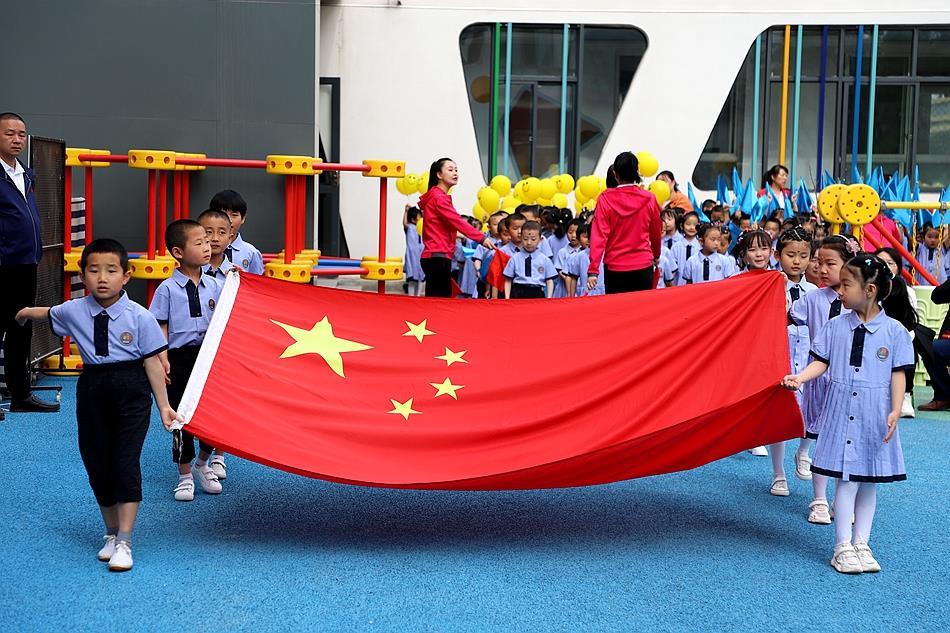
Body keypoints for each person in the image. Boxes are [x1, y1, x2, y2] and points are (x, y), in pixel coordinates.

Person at [16, 238, 176, 572]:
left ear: (126, 276)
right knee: (97, 462)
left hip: (131, 390)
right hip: (92, 390)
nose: (102, 277)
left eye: (111, 270)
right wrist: (23, 313)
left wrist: (163, 406)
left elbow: (152, 364)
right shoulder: (75, 310)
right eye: (94, 270)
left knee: (124, 461)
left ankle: (126, 541)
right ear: (82, 275)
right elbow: (49, 313)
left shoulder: (140, 317)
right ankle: (111, 532)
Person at [783, 254, 913, 574]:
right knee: (846, 479)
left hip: (875, 412)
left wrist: (895, 409)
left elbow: (899, 373)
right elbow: (821, 361)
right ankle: (842, 545)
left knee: (869, 481)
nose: (840, 291)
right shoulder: (835, 326)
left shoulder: (894, 331)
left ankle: (862, 543)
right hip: (841, 409)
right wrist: (801, 377)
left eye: (846, 285)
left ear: (869, 290)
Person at [149, 220, 225, 502]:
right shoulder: (166, 289)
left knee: (212, 417)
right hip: (178, 359)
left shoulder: (217, 286)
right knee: (181, 418)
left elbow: (225, 319)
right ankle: (183, 475)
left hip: (207, 358)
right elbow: (160, 325)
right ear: (178, 252)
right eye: (199, 243)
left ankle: (203, 464)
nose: (207, 247)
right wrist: (162, 358)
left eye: (207, 242)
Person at [789, 234, 859, 524]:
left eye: (830, 263)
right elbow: (784, 318)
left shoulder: (857, 302)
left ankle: (840, 500)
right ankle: (818, 499)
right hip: (818, 379)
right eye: (818, 262)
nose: (822, 269)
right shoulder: (812, 299)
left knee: (845, 443)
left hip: (849, 383)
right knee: (821, 439)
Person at [0, 112, 59, 414]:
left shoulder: (25, 173)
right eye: (10, 133)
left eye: (21, 134)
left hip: (27, 262)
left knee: (21, 328)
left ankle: (20, 393)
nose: (17, 139)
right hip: (3, 264)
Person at [768, 227, 816, 496]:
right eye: (790, 255)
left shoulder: (814, 290)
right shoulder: (770, 286)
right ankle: (778, 473)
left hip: (808, 357)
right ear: (778, 255)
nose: (797, 261)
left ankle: (803, 453)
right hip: (781, 354)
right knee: (781, 415)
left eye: (803, 255)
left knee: (811, 410)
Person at [418, 158, 495, 297]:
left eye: (456, 170)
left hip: (436, 256)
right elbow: (457, 221)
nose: (455, 173)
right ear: (439, 175)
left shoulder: (437, 196)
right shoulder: (438, 198)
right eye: (450, 169)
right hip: (438, 257)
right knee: (439, 304)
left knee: (436, 301)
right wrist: (481, 238)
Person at [587, 152, 662, 294]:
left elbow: (599, 236)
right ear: (637, 173)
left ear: (615, 174)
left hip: (615, 267)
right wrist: (656, 254)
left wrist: (593, 270)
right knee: (642, 313)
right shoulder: (649, 198)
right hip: (643, 265)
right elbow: (655, 232)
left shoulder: (605, 199)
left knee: (618, 314)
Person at [874, 248, 920, 418]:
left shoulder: (905, 290)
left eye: (890, 263)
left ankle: (905, 394)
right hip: (875, 334)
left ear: (898, 267)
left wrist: (901, 339)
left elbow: (911, 321)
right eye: (880, 262)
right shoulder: (869, 288)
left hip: (901, 335)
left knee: (908, 347)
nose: (885, 266)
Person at [209, 189, 264, 275]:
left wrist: (242, 278)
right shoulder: (204, 248)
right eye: (223, 215)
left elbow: (256, 284)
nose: (229, 220)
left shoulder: (251, 253)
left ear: (243, 218)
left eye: (234, 215)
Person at [503, 221, 557, 299]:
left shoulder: (545, 260)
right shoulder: (515, 258)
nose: (529, 242)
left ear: (540, 239)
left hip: (536, 292)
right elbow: (508, 280)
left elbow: (549, 281)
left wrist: (549, 297)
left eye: (533, 239)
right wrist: (507, 298)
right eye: (525, 239)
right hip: (518, 292)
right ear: (521, 238)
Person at [198, 209, 234, 282]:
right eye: (209, 232)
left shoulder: (236, 274)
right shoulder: (189, 271)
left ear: (230, 238)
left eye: (221, 232)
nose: (215, 238)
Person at [669, 211, 701, 286]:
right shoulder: (676, 247)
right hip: (678, 285)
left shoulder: (701, 246)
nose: (691, 227)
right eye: (688, 224)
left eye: (695, 225)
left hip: (697, 285)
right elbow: (672, 269)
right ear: (681, 225)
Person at [402, 205, 425, 296]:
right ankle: (411, 296)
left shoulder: (422, 227)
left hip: (421, 255)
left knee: (420, 278)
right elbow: (404, 223)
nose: (420, 218)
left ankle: (418, 296)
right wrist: (406, 211)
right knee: (412, 279)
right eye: (418, 216)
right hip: (412, 256)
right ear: (412, 219)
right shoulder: (410, 227)